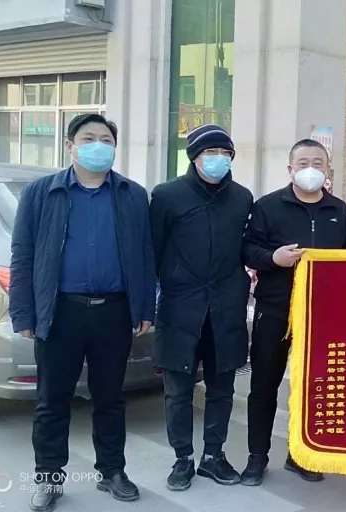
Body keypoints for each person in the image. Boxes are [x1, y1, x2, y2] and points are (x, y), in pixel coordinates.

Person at [9, 113, 155, 511]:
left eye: (106, 140)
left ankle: (112, 472)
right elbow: (23, 254)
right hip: (60, 312)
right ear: (70, 146)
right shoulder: (42, 193)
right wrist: (24, 312)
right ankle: (49, 477)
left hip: (114, 312)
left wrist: (145, 306)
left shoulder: (132, 194)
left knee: (110, 398)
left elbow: (145, 253)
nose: (98, 146)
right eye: (88, 138)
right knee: (51, 401)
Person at [239, 139, 346, 485]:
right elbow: (247, 249)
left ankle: (301, 454)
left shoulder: (339, 211)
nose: (311, 169)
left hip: (322, 316)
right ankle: (257, 457)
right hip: (275, 310)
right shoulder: (268, 206)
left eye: (318, 163)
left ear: (328, 169)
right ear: (290, 169)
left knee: (313, 388)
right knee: (264, 385)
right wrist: (273, 258)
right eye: (303, 163)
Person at [150, 124, 254, 491]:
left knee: (222, 388)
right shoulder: (167, 196)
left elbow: (247, 248)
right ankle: (183, 458)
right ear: (195, 157)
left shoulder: (242, 198)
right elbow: (153, 252)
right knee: (178, 390)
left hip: (226, 308)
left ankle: (213, 456)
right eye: (211, 153)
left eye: (226, 154)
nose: (219, 160)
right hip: (180, 308)